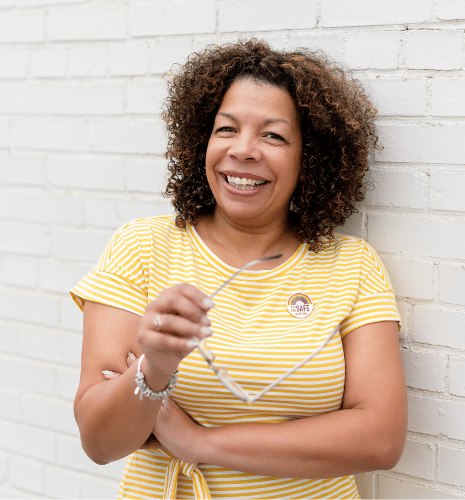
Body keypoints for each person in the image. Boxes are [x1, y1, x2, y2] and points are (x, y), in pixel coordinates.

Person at [70, 39, 407, 499]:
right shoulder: (143, 247)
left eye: (273, 135)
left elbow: (380, 439)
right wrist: (155, 368)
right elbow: (100, 441)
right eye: (226, 129)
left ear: (310, 157)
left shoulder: (352, 266)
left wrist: (200, 443)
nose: (243, 151)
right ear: (201, 140)